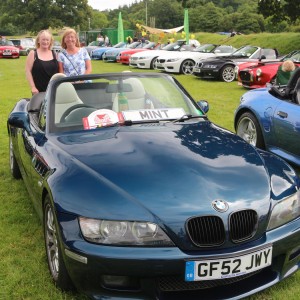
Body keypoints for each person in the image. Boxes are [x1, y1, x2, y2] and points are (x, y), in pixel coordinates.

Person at [25, 30, 59, 95]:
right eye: (43, 39)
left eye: (47, 40)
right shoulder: (33, 54)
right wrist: (33, 87)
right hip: (38, 92)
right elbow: (27, 71)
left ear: (50, 41)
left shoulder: (55, 54)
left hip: (54, 92)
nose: (45, 42)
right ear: (38, 41)